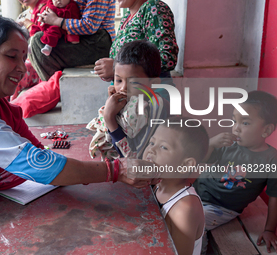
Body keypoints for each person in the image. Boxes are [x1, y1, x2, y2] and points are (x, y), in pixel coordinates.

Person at [0, 17, 155, 217]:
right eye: (12, 56)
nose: (22, 69)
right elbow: (31, 162)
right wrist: (116, 170)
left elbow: (37, 152)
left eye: (23, 58)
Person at [193, 91, 277, 253]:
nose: (236, 128)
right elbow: (203, 157)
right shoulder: (229, 143)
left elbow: (274, 198)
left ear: (266, 130)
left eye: (245, 123)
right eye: (234, 121)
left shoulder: (271, 160)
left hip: (220, 207)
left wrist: (269, 230)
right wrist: (211, 143)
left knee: (193, 223)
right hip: (195, 192)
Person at [87, 40, 169, 160]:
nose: (123, 88)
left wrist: (109, 118)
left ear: (153, 84)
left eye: (134, 82)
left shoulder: (155, 106)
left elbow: (133, 157)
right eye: (119, 81)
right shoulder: (132, 102)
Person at [144, 116, 208, 255]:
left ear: (185, 165)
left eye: (163, 147)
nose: (151, 150)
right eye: (151, 142)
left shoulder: (184, 209)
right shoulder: (157, 184)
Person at [94, 0, 179, 85]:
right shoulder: (127, 17)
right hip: (130, 92)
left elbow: (167, 58)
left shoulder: (153, 8)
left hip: (152, 92)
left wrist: (115, 67)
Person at [28, 0, 116, 81]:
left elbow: (89, 26)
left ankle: (54, 88)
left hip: (98, 42)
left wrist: (56, 20)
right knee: (35, 40)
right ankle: (54, 86)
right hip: (79, 37)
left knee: (38, 42)